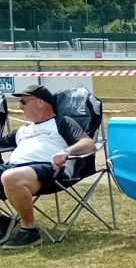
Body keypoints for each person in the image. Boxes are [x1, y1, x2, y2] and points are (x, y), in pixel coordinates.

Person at [0, 85, 96, 249]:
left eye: (23, 102)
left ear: (39, 102)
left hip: (49, 170)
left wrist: (67, 151)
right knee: (9, 175)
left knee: (10, 177)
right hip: (14, 168)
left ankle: (29, 230)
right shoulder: (22, 130)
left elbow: (88, 144)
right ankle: (2, 222)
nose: (20, 106)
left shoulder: (62, 122)